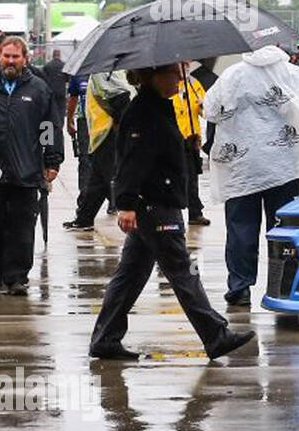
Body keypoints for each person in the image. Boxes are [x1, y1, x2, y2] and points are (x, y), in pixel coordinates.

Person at [88, 63, 257, 361]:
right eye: (173, 74)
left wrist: (186, 145)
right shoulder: (143, 111)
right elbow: (131, 161)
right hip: (155, 207)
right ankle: (216, 336)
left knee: (129, 276)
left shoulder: (159, 107)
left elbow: (159, 153)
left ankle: (105, 338)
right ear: (151, 76)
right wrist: (125, 203)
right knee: (183, 272)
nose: (180, 78)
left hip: (157, 204)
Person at [203, 44, 299, 306]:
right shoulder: (293, 74)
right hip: (284, 168)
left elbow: (211, 110)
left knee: (241, 230)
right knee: (285, 230)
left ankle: (240, 288)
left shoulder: (232, 75)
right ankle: (284, 285)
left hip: (242, 169)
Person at [0, 36, 63, 294]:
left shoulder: (38, 89)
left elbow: (49, 127)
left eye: (15, 56)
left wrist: (52, 159)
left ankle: (16, 278)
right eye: (6, 56)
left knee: (22, 227)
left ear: (25, 58)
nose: (10, 61)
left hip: (27, 170)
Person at [63, 70, 132, 230]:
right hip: (100, 131)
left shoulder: (105, 72)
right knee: (98, 178)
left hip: (106, 131)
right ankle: (84, 218)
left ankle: (128, 208)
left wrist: (117, 122)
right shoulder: (103, 71)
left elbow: (120, 96)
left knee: (107, 174)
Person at [172, 64, 211, 226]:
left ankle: (195, 213)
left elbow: (205, 112)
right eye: (182, 65)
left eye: (187, 65)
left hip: (191, 140)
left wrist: (203, 106)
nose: (185, 68)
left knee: (192, 180)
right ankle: (173, 213)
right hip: (173, 140)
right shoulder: (168, 83)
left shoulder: (194, 84)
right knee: (174, 179)